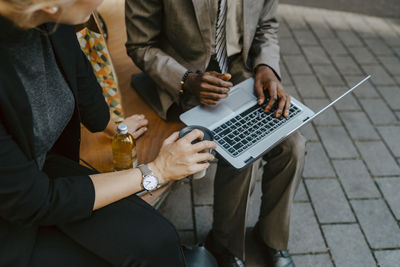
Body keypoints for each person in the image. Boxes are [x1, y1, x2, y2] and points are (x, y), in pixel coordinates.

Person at [0, 0, 216, 266]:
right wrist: (156, 171)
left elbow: (78, 72)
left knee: (158, 238)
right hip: (14, 220)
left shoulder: (53, 21)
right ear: (51, 4)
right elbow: (34, 200)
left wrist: (114, 125)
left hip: (41, 173)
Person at [125, 0, 306, 266]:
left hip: (241, 71)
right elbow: (140, 45)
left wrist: (266, 67)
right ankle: (224, 244)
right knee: (243, 149)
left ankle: (271, 238)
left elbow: (266, 25)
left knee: (294, 146)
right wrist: (185, 80)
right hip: (181, 75)